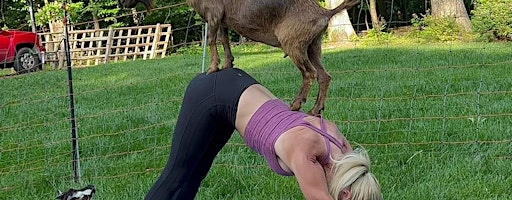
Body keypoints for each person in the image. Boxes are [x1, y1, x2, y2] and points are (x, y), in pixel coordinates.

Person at [145, 68, 382, 200]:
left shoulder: (345, 152)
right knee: (175, 178)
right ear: (346, 195)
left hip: (237, 90)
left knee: (194, 175)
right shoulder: (306, 152)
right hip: (213, 94)